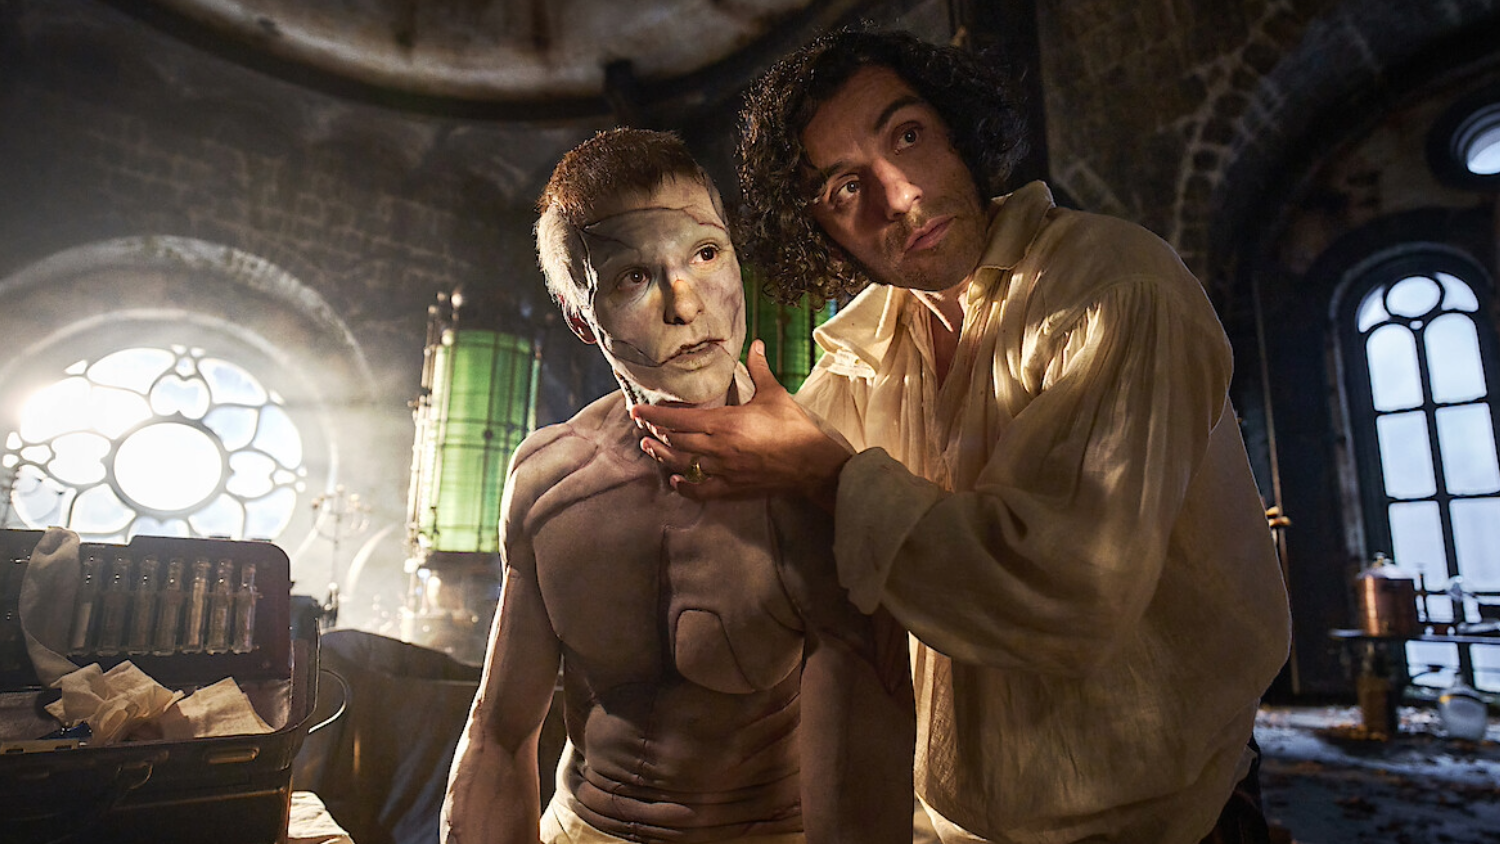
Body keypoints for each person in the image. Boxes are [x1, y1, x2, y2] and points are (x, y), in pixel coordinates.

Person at [632, 29, 1293, 844]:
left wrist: (826, 474)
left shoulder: (1118, 287)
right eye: (845, 188)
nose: (900, 195)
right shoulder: (859, 354)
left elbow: (1067, 592)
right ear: (822, 233)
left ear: (958, 132)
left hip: (1162, 821)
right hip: (944, 825)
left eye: (908, 136)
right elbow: (772, 541)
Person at [440, 128, 913, 844]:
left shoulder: (818, 491)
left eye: (706, 253)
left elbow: (862, 798)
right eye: (634, 277)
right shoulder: (547, 481)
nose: (686, 304)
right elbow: (500, 737)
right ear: (581, 318)